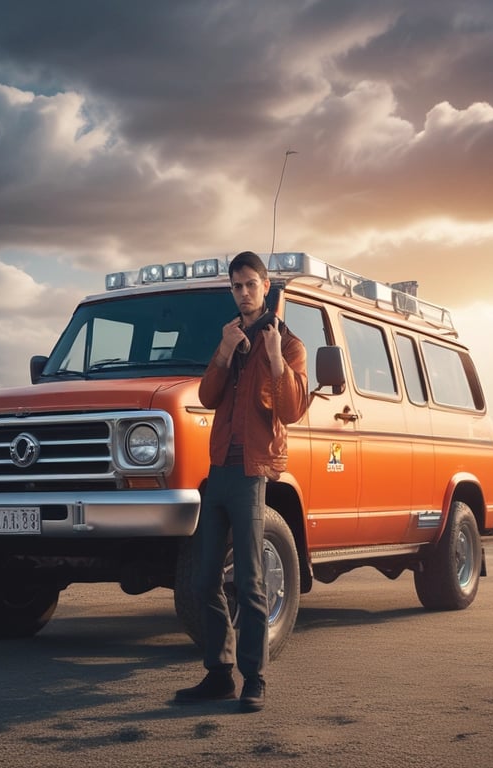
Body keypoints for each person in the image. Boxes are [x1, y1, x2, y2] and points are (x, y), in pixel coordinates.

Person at [175, 250, 308, 713]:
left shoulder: (288, 344)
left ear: (266, 287)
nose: (244, 292)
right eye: (237, 286)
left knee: (251, 581)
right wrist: (225, 350)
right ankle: (218, 675)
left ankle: (255, 679)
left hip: (253, 473)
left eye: (251, 284)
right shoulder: (230, 337)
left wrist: (274, 360)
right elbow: (209, 397)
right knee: (203, 579)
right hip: (218, 472)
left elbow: (290, 410)